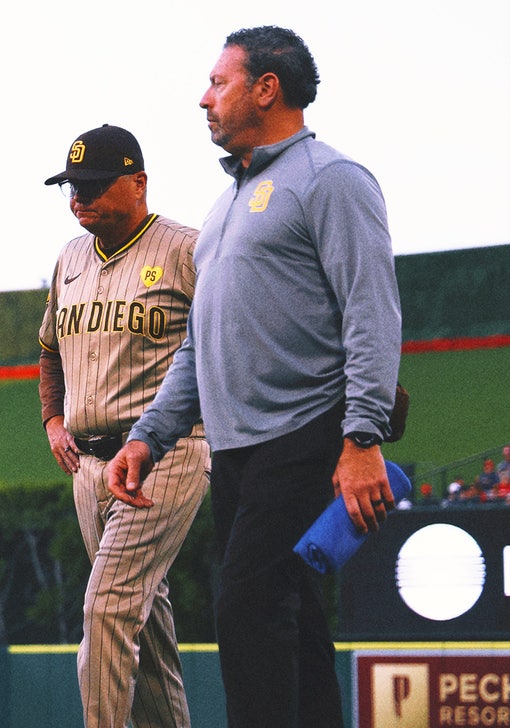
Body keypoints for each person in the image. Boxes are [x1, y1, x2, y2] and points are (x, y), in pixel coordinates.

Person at [105, 26, 401, 727]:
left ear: (266, 88)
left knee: (246, 606)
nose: (203, 98)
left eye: (219, 82)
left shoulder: (331, 180)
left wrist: (362, 438)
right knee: (290, 624)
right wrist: (149, 437)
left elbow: (373, 313)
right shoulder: (226, 207)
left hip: (304, 436)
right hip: (237, 452)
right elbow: (198, 347)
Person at [37, 124, 207, 728]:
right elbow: (50, 349)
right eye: (71, 186)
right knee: (144, 619)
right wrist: (53, 419)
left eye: (92, 184)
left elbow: (222, 344)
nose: (79, 197)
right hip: (87, 464)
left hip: (166, 454)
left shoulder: (188, 249)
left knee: (108, 608)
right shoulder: (69, 258)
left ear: (138, 181)